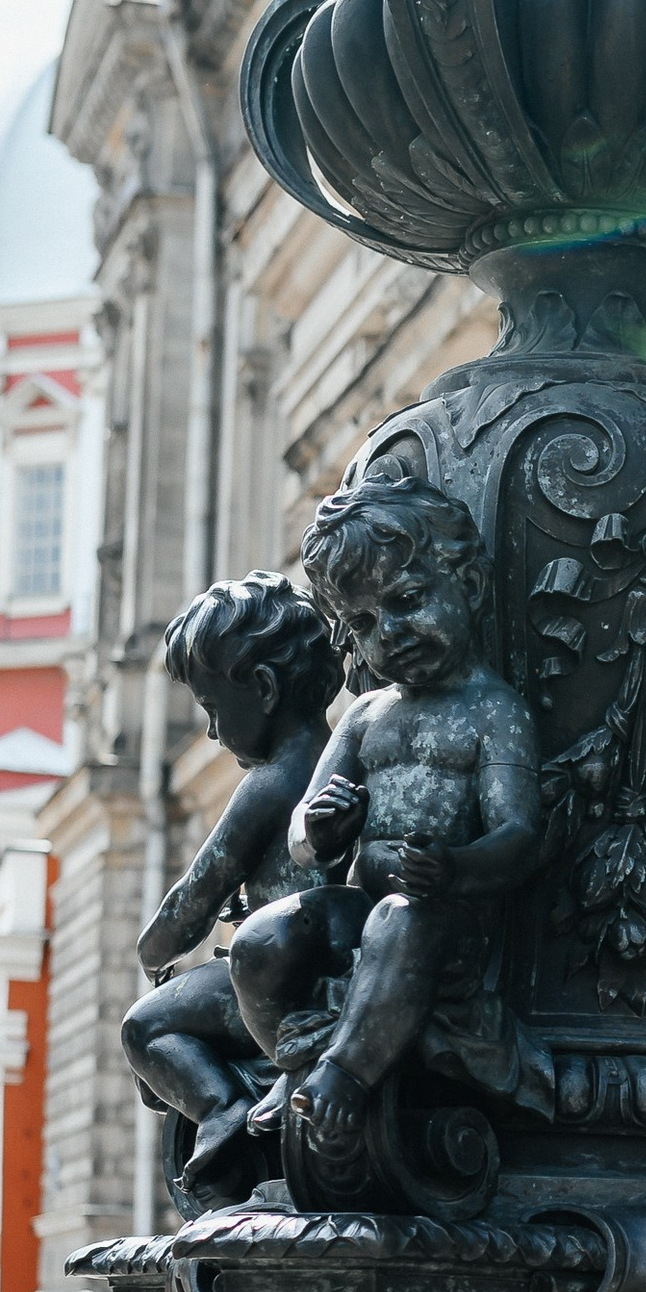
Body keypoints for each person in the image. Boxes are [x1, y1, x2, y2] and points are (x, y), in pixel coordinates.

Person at [229, 476, 544, 1161]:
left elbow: (519, 834)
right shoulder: (368, 714)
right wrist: (321, 831)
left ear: (471, 587)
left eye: (406, 602)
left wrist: (456, 866)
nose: (391, 635)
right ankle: (297, 1057)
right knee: (263, 940)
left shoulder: (495, 712)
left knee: (401, 918)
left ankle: (343, 1074)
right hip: (359, 901)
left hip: (441, 917)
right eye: (366, 624)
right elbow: (301, 835)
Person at [119, 574, 344, 1195]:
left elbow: (196, 895)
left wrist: (152, 951)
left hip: (272, 989)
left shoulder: (271, 782)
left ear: (265, 690)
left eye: (215, 711)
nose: (213, 735)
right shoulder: (339, 757)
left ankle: (222, 1109)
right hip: (328, 974)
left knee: (145, 1029)